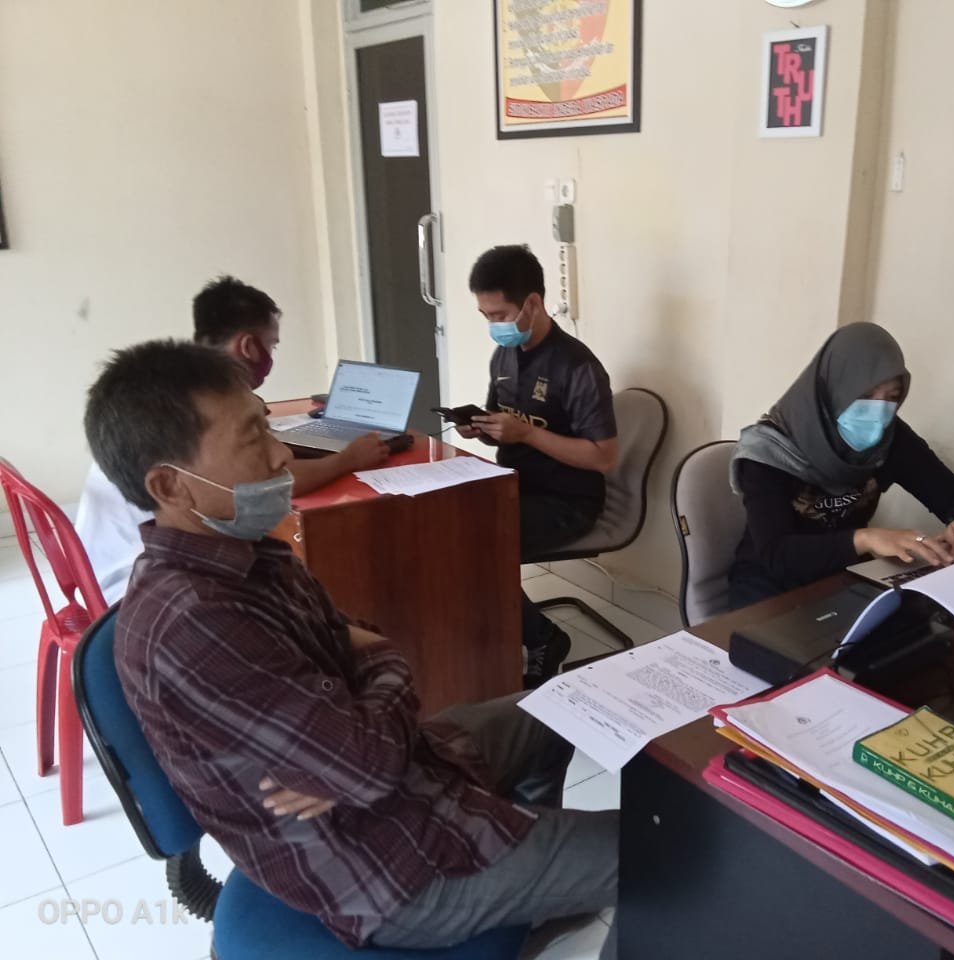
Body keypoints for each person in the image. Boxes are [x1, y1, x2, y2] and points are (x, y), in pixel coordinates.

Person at [85, 340, 618, 953]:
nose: (281, 454)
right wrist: (382, 658)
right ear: (170, 485)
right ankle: (548, 880)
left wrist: (357, 713)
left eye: (267, 426)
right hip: (383, 868)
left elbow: (356, 684)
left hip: (413, 773)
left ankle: (538, 890)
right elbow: (368, 752)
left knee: (563, 704)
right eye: (252, 438)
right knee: (672, 856)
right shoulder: (195, 623)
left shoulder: (250, 553)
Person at [74, 276, 389, 603]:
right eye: (272, 344)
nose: (280, 455)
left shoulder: (172, 394)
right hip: (124, 588)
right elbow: (271, 479)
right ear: (248, 346)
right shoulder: (197, 609)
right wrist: (347, 459)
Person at [728, 322, 954, 609]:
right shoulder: (768, 450)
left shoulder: (891, 438)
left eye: (892, 397)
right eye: (865, 395)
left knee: (925, 627)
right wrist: (866, 538)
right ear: (831, 389)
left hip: (844, 577)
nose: (878, 411)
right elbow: (777, 555)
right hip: (770, 586)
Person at [461, 246, 618, 687]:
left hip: (567, 500)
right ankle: (486, 624)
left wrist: (527, 434)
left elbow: (604, 457)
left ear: (532, 303)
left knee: (474, 544)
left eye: (499, 315)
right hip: (512, 485)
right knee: (443, 520)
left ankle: (544, 638)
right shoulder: (503, 357)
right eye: (485, 316)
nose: (493, 326)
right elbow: (504, 425)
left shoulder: (578, 367)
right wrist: (481, 428)